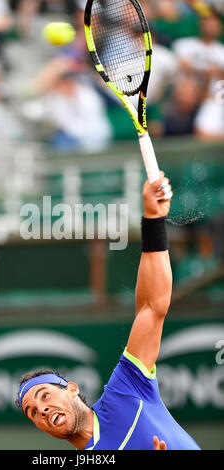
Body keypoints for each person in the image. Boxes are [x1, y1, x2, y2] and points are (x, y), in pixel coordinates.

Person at [15, 172, 201, 450]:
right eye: (32, 413)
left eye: (44, 396)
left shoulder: (126, 391)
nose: (41, 410)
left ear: (73, 388)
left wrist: (153, 218)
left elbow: (151, 307)